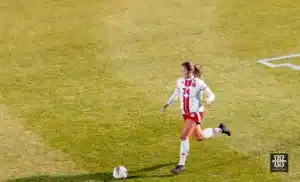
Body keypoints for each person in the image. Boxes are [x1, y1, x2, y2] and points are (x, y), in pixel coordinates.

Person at [162, 61, 231, 174]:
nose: (181, 72)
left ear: (190, 71)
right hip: (185, 113)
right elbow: (176, 93)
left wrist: (208, 101)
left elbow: (212, 95)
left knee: (184, 136)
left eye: (183, 70)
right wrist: (168, 103)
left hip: (196, 113)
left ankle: (181, 165)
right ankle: (221, 129)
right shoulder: (180, 81)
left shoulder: (199, 83)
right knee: (200, 136)